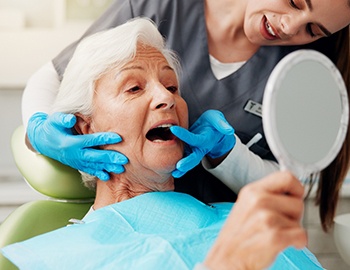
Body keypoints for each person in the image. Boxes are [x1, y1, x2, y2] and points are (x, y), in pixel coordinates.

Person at [2, 18, 322, 270]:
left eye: (171, 85)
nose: (166, 97)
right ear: (86, 126)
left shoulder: (244, 220)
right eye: (133, 88)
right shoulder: (68, 256)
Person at [22, 0, 350, 231]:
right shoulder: (162, 6)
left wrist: (230, 155)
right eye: (294, 2)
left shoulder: (307, 70)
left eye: (312, 28)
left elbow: (296, 182)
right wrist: (39, 129)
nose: (290, 26)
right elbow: (52, 77)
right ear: (85, 123)